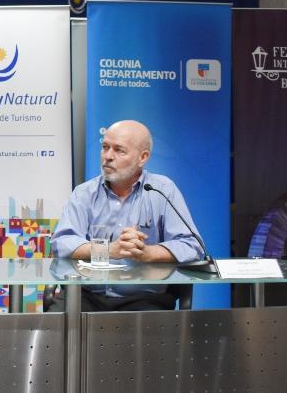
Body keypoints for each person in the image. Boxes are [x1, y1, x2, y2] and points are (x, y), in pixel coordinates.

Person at [49, 119, 204, 311]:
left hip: (144, 298)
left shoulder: (163, 190)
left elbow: (192, 246)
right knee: (51, 330)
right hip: (87, 295)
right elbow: (62, 242)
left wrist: (147, 253)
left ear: (143, 157)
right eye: (105, 147)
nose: (108, 156)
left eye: (119, 150)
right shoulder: (84, 193)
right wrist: (107, 250)